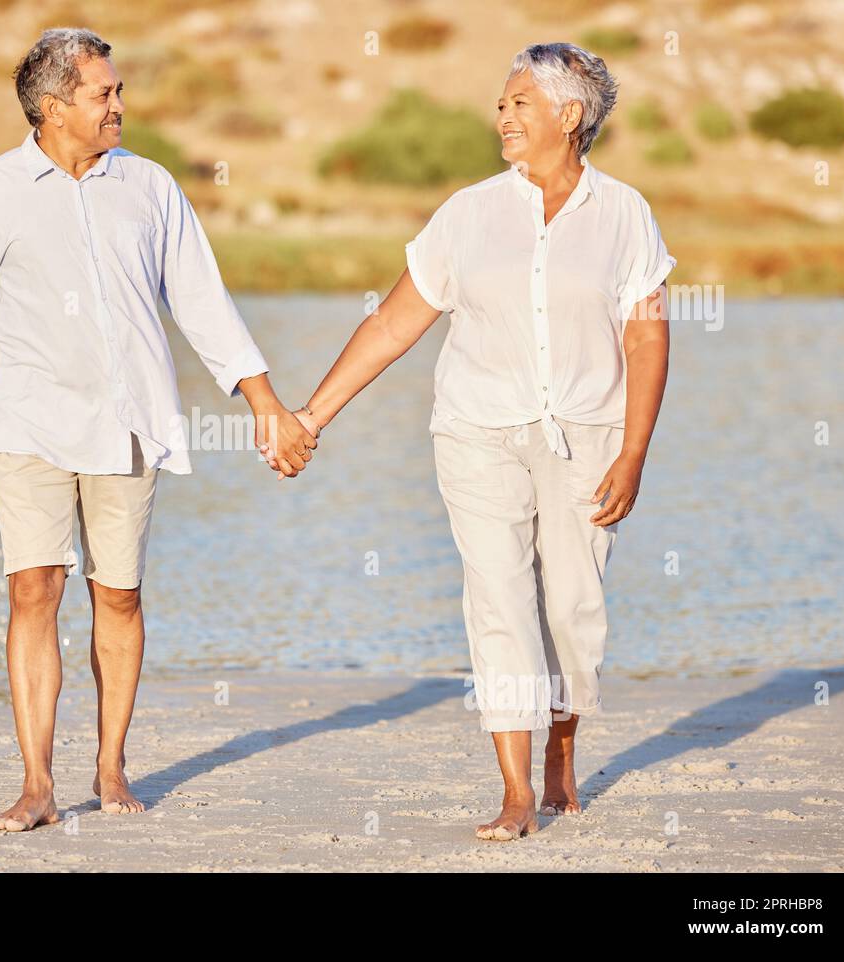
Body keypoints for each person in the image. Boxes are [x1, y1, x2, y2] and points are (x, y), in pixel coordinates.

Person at [0, 28, 316, 831]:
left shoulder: (148, 186)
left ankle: (109, 765)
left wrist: (265, 402)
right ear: (54, 106)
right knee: (33, 590)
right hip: (29, 424)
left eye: (117, 90)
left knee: (120, 594)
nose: (120, 105)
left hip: (129, 423)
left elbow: (202, 300)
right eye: (105, 93)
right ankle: (37, 782)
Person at [284, 42, 674, 840]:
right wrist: (311, 416)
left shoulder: (624, 214)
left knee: (572, 608)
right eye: (501, 103)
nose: (501, 116)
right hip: (476, 433)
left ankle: (562, 748)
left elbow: (646, 338)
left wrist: (634, 452)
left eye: (519, 103)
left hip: (588, 434)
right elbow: (394, 323)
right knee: (496, 600)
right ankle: (516, 789)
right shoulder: (467, 213)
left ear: (570, 116)